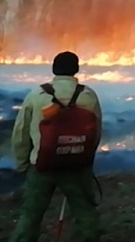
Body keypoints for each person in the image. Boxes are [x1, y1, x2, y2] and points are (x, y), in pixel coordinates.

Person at [10, 51, 102, 242]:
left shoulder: (37, 95)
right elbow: (96, 132)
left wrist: (22, 163)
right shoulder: (89, 96)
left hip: (41, 166)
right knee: (86, 215)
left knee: (30, 216)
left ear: (54, 69)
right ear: (76, 69)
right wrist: (84, 157)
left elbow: (21, 133)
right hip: (77, 166)